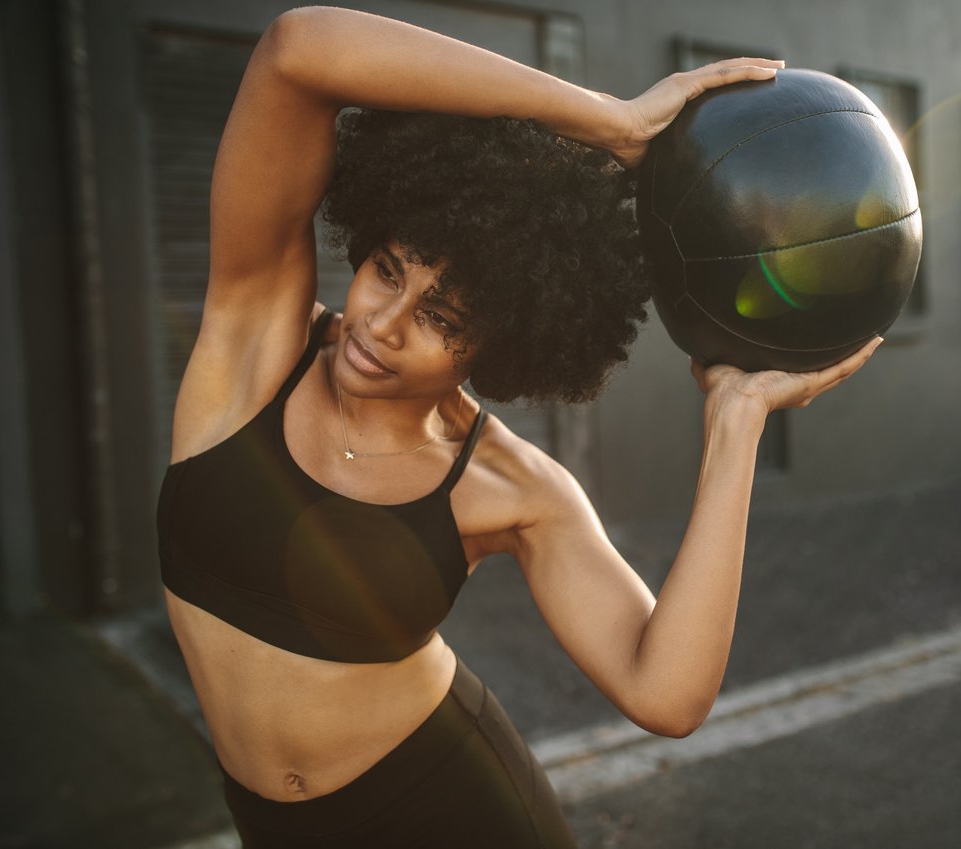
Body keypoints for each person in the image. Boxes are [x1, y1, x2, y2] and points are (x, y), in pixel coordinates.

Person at [157, 6, 881, 847]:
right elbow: (298, 49)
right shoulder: (255, 344)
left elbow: (666, 695)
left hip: (453, 811)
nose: (383, 323)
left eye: (444, 315)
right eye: (386, 268)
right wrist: (606, 120)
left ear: (507, 340)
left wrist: (736, 423)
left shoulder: (509, 486)